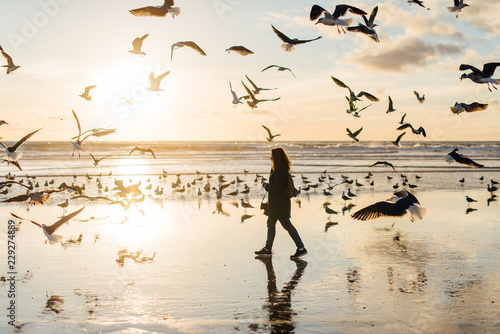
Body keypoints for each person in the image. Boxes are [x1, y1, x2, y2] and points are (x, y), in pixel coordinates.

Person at [255, 147, 307, 259]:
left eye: (272, 155)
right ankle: (268, 249)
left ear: (276, 157)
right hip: (278, 203)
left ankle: (301, 248)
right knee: (272, 224)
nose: (270, 157)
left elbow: (277, 188)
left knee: (285, 224)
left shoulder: (279, 170)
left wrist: (265, 186)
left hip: (278, 204)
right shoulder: (280, 169)